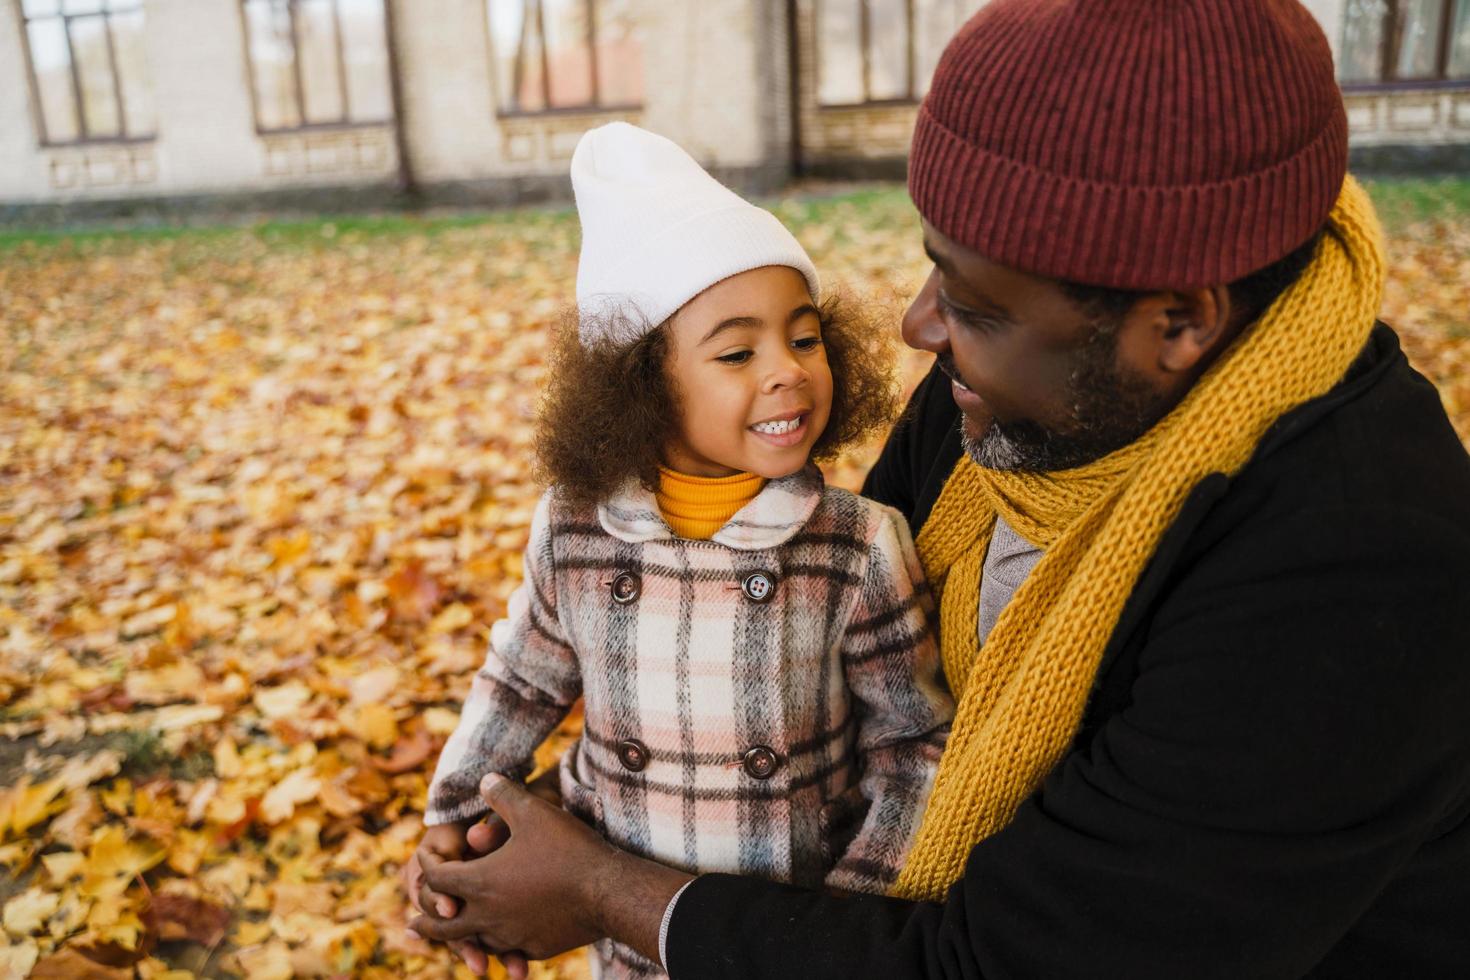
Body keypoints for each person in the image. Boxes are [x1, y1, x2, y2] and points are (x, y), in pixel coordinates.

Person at [407, 2, 1470, 976]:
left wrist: (607, 888)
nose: (918, 326)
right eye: (936, 270)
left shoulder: (1354, 566)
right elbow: (799, 665)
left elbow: (1009, 964)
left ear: (1179, 322)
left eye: (971, 301)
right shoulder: (1019, 390)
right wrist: (519, 836)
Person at [404, 122, 953, 979]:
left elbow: (917, 743)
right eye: (737, 352)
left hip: (789, 931)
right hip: (625, 939)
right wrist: (459, 813)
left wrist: (854, 905)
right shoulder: (576, 531)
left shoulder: (854, 547)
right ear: (639, 386)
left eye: (804, 338)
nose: (786, 371)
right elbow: (521, 677)